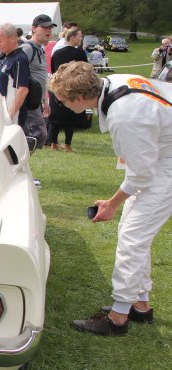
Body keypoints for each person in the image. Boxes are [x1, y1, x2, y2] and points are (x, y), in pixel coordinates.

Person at [49, 62, 172, 336]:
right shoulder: (116, 82)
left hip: (165, 166)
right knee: (133, 235)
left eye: (62, 100)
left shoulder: (125, 115)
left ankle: (118, 319)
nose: (61, 105)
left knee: (132, 238)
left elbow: (141, 175)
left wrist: (112, 203)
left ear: (79, 98)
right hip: (161, 157)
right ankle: (140, 307)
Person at [47, 28, 88, 151]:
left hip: (58, 87)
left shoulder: (57, 53)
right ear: (72, 37)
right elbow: (84, 71)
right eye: (79, 36)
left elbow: (54, 70)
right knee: (71, 117)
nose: (81, 39)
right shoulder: (80, 53)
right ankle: (67, 144)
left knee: (56, 117)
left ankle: (53, 143)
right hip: (73, 88)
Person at [20, 14, 55, 149]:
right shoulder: (28, 48)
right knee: (38, 135)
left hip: (35, 101)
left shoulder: (40, 48)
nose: (48, 31)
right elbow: (17, 74)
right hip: (26, 102)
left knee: (36, 136)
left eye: (50, 28)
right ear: (34, 29)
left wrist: (45, 100)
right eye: (45, 27)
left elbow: (41, 76)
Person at [0, 23, 30, 127]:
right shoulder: (4, 56)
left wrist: (10, 114)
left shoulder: (19, 59)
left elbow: (23, 89)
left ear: (13, 39)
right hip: (3, 107)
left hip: (13, 113)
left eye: (0, 41)